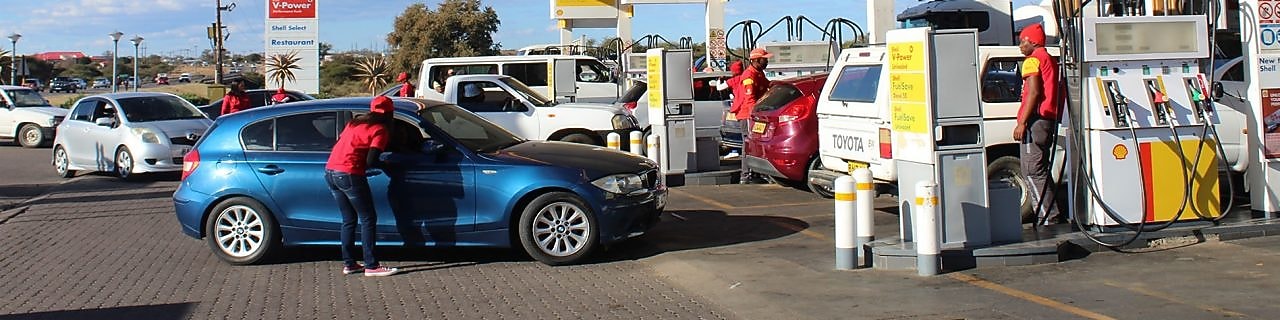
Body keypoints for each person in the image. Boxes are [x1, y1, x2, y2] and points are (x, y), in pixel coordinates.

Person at [325, 96, 400, 277]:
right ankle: (371, 265)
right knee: (367, 218)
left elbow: (345, 143)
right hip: (350, 174)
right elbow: (372, 160)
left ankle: (349, 263)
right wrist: (388, 166)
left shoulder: (353, 123)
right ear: (390, 113)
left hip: (330, 171)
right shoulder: (380, 130)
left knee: (348, 219)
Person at [1013, 23, 1063, 225]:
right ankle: (1050, 212)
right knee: (1040, 168)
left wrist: (1022, 122)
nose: (1020, 46)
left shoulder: (1032, 60)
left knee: (1031, 170)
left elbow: (1033, 92)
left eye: (1023, 41)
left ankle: (1047, 217)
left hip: (1035, 120)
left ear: (1032, 41)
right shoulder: (1049, 59)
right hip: (1048, 119)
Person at [734, 49, 772, 184]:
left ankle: (757, 173)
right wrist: (756, 116)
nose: (767, 61)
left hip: (755, 116)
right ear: (756, 60)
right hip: (748, 116)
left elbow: (769, 86)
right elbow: (749, 99)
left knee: (756, 145)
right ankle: (745, 176)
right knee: (748, 146)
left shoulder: (759, 73)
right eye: (764, 59)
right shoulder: (749, 76)